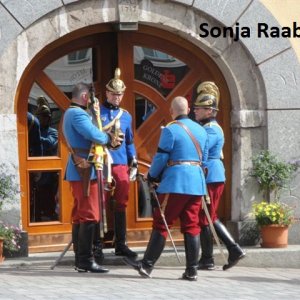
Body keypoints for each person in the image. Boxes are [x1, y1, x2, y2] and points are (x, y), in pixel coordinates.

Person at [124, 96, 208, 281]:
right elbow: (205, 159)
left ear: (172, 111)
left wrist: (152, 176)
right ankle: (192, 270)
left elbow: (161, 158)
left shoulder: (171, 129)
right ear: (188, 109)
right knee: (192, 225)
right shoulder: (201, 130)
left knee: (162, 223)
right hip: (196, 184)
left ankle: (146, 265)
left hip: (176, 183)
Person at [62, 82, 123, 273]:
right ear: (85, 98)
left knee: (81, 214)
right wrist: (108, 138)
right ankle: (85, 260)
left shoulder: (72, 113)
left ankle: (81, 260)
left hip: (82, 168)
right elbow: (93, 134)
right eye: (91, 98)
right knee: (89, 214)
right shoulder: (77, 114)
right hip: (85, 169)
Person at [193, 81, 245, 271]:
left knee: (207, 216)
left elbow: (202, 151)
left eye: (199, 109)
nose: (195, 111)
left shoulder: (212, 129)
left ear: (209, 111)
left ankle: (232, 249)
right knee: (205, 216)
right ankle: (209, 257)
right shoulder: (206, 128)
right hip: (208, 176)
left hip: (211, 176)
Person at [95, 68, 138, 259]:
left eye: (120, 95)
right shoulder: (96, 112)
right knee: (100, 203)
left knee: (122, 202)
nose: (117, 98)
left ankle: (121, 244)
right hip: (102, 161)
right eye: (114, 94)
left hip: (120, 163)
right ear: (107, 93)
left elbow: (129, 141)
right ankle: (96, 246)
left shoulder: (126, 115)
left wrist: (133, 160)